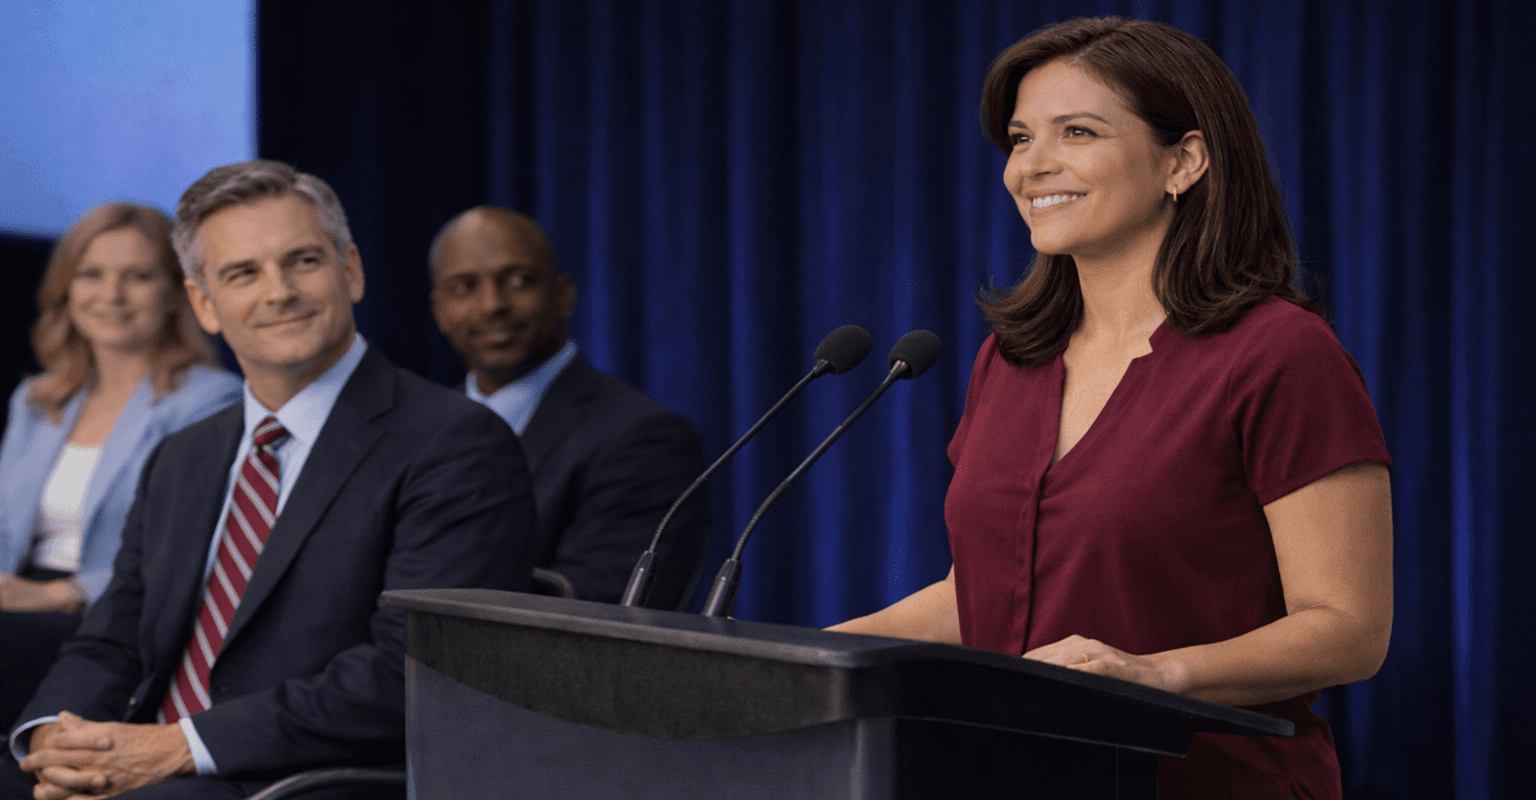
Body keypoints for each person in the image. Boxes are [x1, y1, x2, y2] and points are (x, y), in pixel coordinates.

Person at [829, 17, 1392, 799]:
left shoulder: (1280, 355)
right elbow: (985, 595)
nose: (1034, 166)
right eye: (1021, 139)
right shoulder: (1012, 360)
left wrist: (1156, 673)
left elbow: (1348, 629)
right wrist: (796, 659)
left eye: (1078, 132)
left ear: (1184, 161)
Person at [2, 160, 535, 799]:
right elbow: (113, 636)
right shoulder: (183, 455)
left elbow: (412, 673)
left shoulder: (455, 444)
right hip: (144, 756)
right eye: (242, 273)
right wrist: (52, 738)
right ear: (204, 302)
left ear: (352, 271)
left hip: (290, 777)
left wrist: (177, 747)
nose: (278, 291)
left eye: (303, 261)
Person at [0, 203, 241, 731]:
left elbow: (189, 552)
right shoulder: (37, 401)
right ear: (66, 288)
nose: (111, 296)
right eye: (91, 274)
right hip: (17, 600)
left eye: (137, 276)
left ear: (176, 292)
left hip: (114, 622)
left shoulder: (211, 401)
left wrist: (56, 594)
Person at [428, 207, 710, 608]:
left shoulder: (646, 440)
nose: (491, 305)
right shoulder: (414, 434)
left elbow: (593, 616)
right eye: (464, 286)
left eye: (519, 281)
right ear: (439, 310)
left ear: (563, 295)